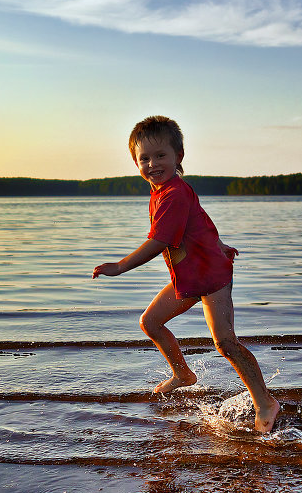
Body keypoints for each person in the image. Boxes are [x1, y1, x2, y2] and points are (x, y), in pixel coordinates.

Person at [92, 115, 280, 434]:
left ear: (178, 156)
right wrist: (219, 242)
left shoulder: (174, 193)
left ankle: (265, 403)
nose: (153, 164)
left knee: (225, 342)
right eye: (144, 158)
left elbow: (159, 242)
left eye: (161, 155)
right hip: (191, 276)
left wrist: (119, 266)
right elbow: (200, 219)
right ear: (135, 163)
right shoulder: (163, 192)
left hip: (212, 276)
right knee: (150, 322)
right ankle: (183, 375)